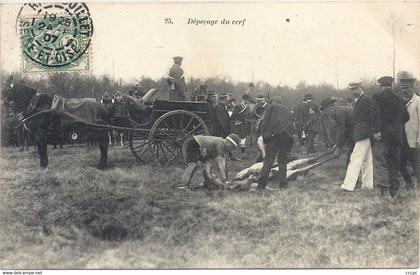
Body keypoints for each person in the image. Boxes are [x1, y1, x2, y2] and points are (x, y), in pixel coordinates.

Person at [373, 76, 410, 197]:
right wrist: (396, 126)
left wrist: (377, 131)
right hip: (397, 137)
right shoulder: (399, 99)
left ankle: (385, 191)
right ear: (391, 85)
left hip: (382, 137)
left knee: (380, 162)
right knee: (394, 163)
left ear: (380, 86)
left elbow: (375, 115)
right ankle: (394, 190)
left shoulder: (377, 98)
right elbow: (406, 117)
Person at [340, 82, 381, 192]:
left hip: (364, 133)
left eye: (355, 89)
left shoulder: (366, 100)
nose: (354, 91)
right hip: (364, 133)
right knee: (367, 160)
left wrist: (376, 131)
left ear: (360, 88)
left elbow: (374, 115)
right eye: (352, 89)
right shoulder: (361, 100)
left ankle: (348, 185)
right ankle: (367, 185)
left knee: (355, 158)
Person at [257, 96, 294, 190]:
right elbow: (291, 126)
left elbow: (265, 123)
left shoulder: (271, 107)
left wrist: (265, 138)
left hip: (273, 137)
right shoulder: (288, 110)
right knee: (282, 161)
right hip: (286, 137)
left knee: (268, 161)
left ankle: (261, 186)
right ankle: (283, 185)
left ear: (272, 101)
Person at [399, 77, 419, 190]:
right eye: (402, 88)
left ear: (413, 87)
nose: (404, 91)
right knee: (400, 164)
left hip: (414, 139)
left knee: (416, 165)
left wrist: (419, 140)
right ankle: (409, 183)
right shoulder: (402, 102)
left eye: (406, 88)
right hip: (402, 139)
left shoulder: (418, 101)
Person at [320, 97, 353, 164]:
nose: (326, 113)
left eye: (325, 110)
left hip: (360, 133)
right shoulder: (338, 111)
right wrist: (338, 145)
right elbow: (344, 131)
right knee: (352, 155)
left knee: (353, 156)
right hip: (354, 133)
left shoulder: (339, 113)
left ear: (329, 107)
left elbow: (341, 131)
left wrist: (338, 147)